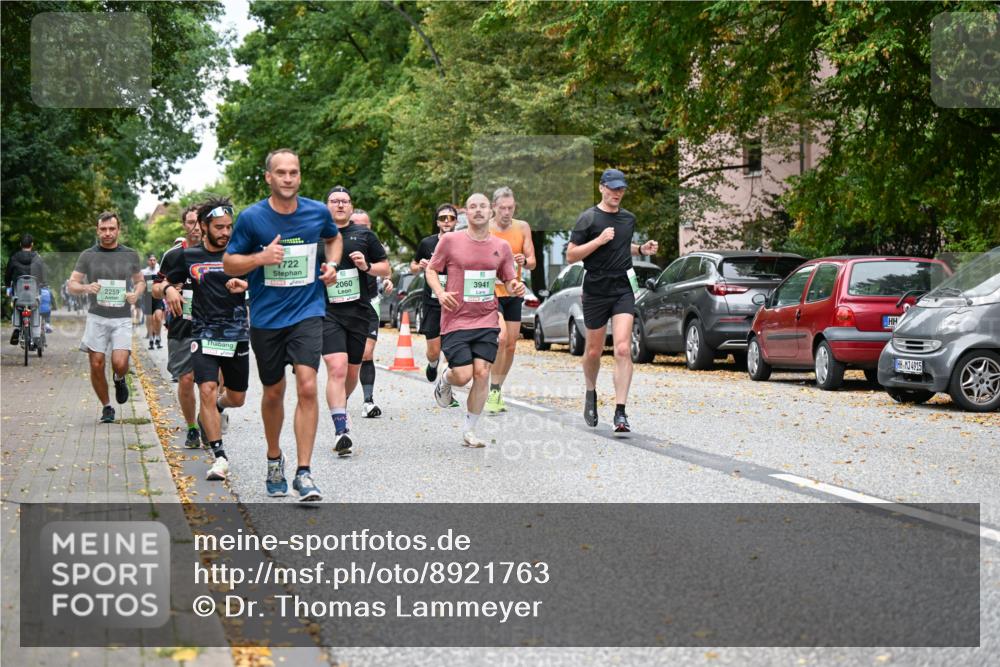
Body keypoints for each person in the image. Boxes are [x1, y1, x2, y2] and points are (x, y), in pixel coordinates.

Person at [224, 148, 342, 502]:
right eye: (281, 173)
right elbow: (229, 263)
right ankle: (274, 457)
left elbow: (333, 237)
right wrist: (260, 258)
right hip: (266, 318)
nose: (288, 178)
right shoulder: (252, 218)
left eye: (294, 172)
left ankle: (304, 473)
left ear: (299, 176)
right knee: (273, 392)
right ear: (268, 178)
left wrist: (332, 265)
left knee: (307, 386)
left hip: (307, 311)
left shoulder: (316, 212)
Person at [426, 193, 523, 448]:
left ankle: (469, 430)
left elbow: (509, 279)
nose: (478, 210)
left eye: (482, 206)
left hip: (486, 318)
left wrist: (516, 287)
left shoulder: (501, 247)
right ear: (465, 214)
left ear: (490, 211)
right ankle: (445, 379)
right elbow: (431, 269)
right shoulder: (450, 241)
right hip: (456, 319)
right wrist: (440, 292)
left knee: (482, 373)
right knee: (463, 375)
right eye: (472, 207)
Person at [566, 169, 658, 433]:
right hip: (596, 288)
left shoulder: (628, 219)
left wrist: (640, 249)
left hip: (622, 288)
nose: (617, 193)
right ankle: (591, 392)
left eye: (621, 189)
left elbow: (620, 244)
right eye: (613, 188)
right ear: (602, 188)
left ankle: (620, 412)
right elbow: (572, 255)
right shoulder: (588, 218)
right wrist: (598, 240)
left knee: (621, 349)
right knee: (593, 351)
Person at [164, 198, 249, 482]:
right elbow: (156, 283)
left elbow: (262, 284)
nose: (225, 232)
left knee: (236, 397)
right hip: (202, 333)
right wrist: (167, 289)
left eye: (228, 227)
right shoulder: (184, 257)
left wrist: (247, 284)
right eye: (219, 227)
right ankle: (219, 456)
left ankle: (221, 408)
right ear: (203, 227)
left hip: (236, 334)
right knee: (207, 389)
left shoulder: (240, 254)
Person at [320, 189, 390, 456]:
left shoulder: (364, 235)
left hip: (358, 311)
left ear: (351, 207)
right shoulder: (317, 237)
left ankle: (342, 405)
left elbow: (386, 268)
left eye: (345, 201)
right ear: (327, 206)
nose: (340, 205)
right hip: (327, 312)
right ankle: (341, 429)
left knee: (351, 373)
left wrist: (366, 267)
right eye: (335, 201)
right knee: (336, 368)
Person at [66, 212, 145, 423]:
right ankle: (107, 406)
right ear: (97, 230)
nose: (107, 233)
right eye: (103, 229)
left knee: (119, 363)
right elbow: (72, 285)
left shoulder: (130, 255)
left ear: (118, 230)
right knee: (97, 364)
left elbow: (140, 282)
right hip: (97, 317)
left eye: (111, 229)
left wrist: (135, 294)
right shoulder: (88, 255)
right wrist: (85, 287)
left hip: (121, 318)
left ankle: (119, 379)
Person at [153, 208, 204, 449]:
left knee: (215, 382)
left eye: (199, 222)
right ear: (184, 225)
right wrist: (167, 289)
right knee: (186, 379)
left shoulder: (219, 251)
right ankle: (193, 427)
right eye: (191, 223)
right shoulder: (173, 255)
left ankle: (213, 413)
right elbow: (155, 287)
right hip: (182, 324)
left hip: (213, 324)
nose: (195, 227)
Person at [486, 186, 536, 414]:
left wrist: (523, 261)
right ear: (494, 207)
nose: (506, 212)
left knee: (512, 344)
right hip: (490, 291)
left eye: (510, 207)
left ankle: (496, 389)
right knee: (501, 337)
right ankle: (491, 387)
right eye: (502, 208)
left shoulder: (522, 227)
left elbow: (532, 261)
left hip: (514, 291)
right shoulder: (485, 228)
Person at [350, 209, 393, 418]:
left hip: (369, 303)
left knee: (366, 353)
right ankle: (341, 400)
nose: (358, 228)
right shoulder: (337, 243)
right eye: (354, 223)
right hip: (343, 307)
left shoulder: (373, 245)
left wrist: (387, 280)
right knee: (347, 358)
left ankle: (368, 401)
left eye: (363, 225)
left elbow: (387, 267)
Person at [410, 203, 458, 386]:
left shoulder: (463, 242)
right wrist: (419, 265)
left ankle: (447, 387)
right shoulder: (427, 243)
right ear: (437, 222)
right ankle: (433, 363)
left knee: (453, 348)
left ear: (456, 221)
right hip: (432, 301)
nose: (447, 221)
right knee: (434, 350)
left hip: (454, 302)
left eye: (451, 218)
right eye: (442, 218)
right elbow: (413, 267)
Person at [5, 233, 47, 345]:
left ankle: (17, 328)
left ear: (20, 244)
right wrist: (44, 283)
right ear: (32, 245)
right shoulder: (38, 258)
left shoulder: (14, 258)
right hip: (33, 295)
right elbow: (43, 275)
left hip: (19, 295)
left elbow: (8, 275)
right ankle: (37, 335)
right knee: (36, 306)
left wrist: (8, 285)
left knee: (17, 304)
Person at [141, 254, 164, 349]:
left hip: (158, 298)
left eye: (154, 260)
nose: (152, 262)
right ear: (148, 261)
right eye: (150, 260)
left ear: (156, 260)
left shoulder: (160, 271)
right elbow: (140, 284)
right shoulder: (144, 272)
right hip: (147, 298)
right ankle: (151, 339)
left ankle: (158, 337)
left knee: (158, 318)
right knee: (149, 319)